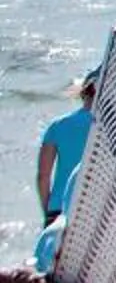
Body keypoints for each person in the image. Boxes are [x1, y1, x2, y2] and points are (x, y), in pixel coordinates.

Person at [32, 65, 95, 265]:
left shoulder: (58, 125)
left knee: (53, 267)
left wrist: (48, 210)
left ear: (83, 93)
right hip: (92, 209)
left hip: (58, 208)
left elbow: (43, 175)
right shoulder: (106, 127)